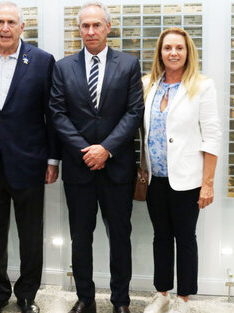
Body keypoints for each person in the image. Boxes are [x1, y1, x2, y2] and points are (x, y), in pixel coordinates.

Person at [0, 2, 60, 313]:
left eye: (11, 22)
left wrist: (52, 159)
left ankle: (28, 294)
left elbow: (52, 114)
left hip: (30, 163)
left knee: (31, 234)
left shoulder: (43, 61)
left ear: (22, 27)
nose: (5, 28)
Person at [49, 2, 144, 313]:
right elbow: (58, 114)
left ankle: (120, 301)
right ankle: (85, 299)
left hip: (117, 168)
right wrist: (85, 150)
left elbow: (133, 113)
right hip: (79, 169)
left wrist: (106, 149)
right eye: (85, 26)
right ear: (79, 30)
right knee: (80, 237)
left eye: (96, 25)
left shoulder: (129, 65)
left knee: (120, 236)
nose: (90, 31)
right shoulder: (63, 68)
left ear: (108, 27)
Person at [141, 28, 221, 313]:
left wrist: (207, 183)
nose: (173, 53)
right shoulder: (148, 84)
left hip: (187, 179)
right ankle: (162, 293)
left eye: (179, 48)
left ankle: (184, 299)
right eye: (167, 48)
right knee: (160, 237)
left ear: (188, 52)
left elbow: (212, 135)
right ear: (160, 53)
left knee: (185, 238)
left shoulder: (201, 85)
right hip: (155, 178)